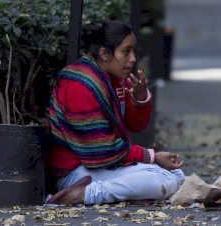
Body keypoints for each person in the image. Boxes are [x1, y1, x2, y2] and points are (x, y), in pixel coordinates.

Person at [46, 20, 184, 205]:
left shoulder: (116, 78)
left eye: (133, 51)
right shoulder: (79, 84)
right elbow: (100, 150)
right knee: (164, 179)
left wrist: (141, 98)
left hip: (104, 165)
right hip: (76, 172)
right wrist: (152, 157)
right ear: (104, 53)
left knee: (176, 174)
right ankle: (81, 195)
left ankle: (124, 194)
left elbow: (136, 125)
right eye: (126, 51)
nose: (133, 58)